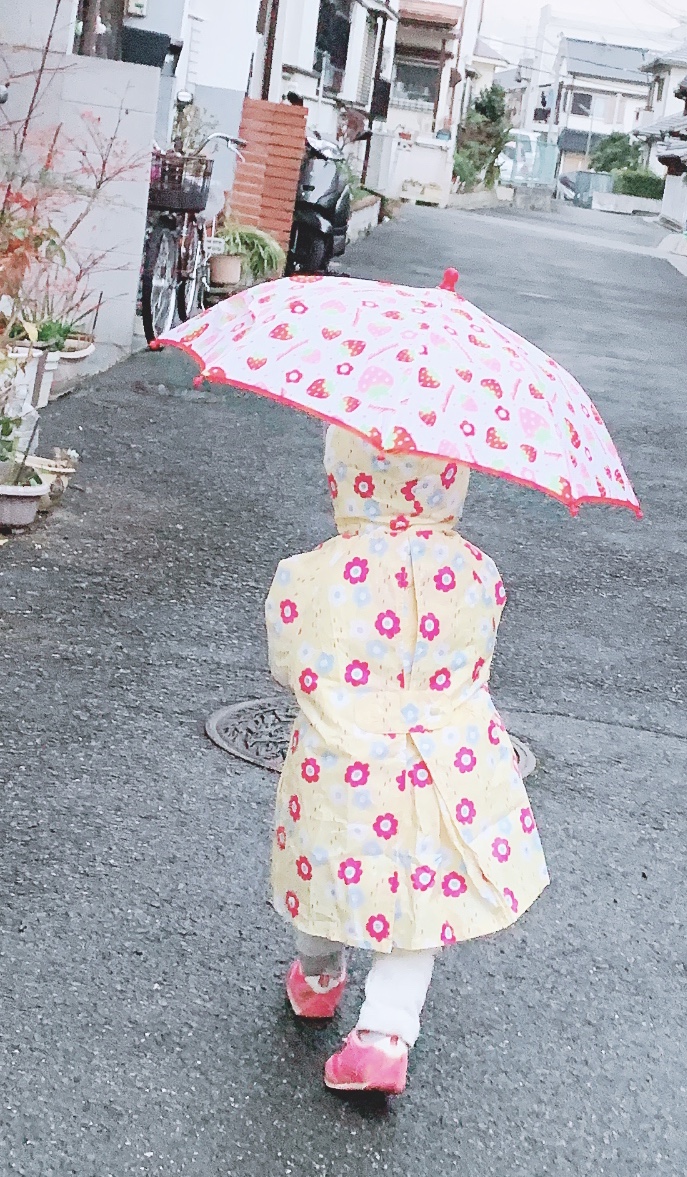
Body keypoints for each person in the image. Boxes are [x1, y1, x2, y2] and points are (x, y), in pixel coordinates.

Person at [265, 425, 549, 1094]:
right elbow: (479, 656)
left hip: (342, 761)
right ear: (452, 478)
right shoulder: (476, 571)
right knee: (418, 894)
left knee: (324, 864)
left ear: (342, 471)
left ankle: (318, 976)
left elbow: (287, 661)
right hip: (444, 764)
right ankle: (384, 1034)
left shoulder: (316, 569)